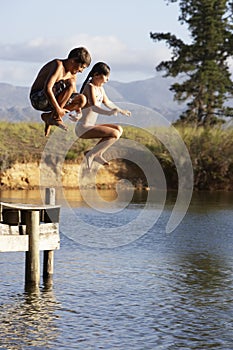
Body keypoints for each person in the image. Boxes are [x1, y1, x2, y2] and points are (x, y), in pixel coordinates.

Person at [71, 62, 131, 169]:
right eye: (106, 76)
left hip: (90, 126)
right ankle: (91, 154)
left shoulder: (100, 89)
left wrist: (120, 110)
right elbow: (94, 107)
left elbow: (107, 102)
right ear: (96, 75)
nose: (107, 79)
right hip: (83, 128)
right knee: (115, 134)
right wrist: (108, 113)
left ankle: (97, 153)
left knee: (119, 129)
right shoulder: (89, 87)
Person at [29, 47, 91, 136]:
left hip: (52, 103)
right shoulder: (58, 65)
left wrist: (79, 112)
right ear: (73, 61)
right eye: (82, 67)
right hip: (38, 99)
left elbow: (74, 95)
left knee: (82, 99)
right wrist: (58, 109)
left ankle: (50, 117)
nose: (81, 71)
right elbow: (47, 88)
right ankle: (55, 116)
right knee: (71, 83)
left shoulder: (72, 74)